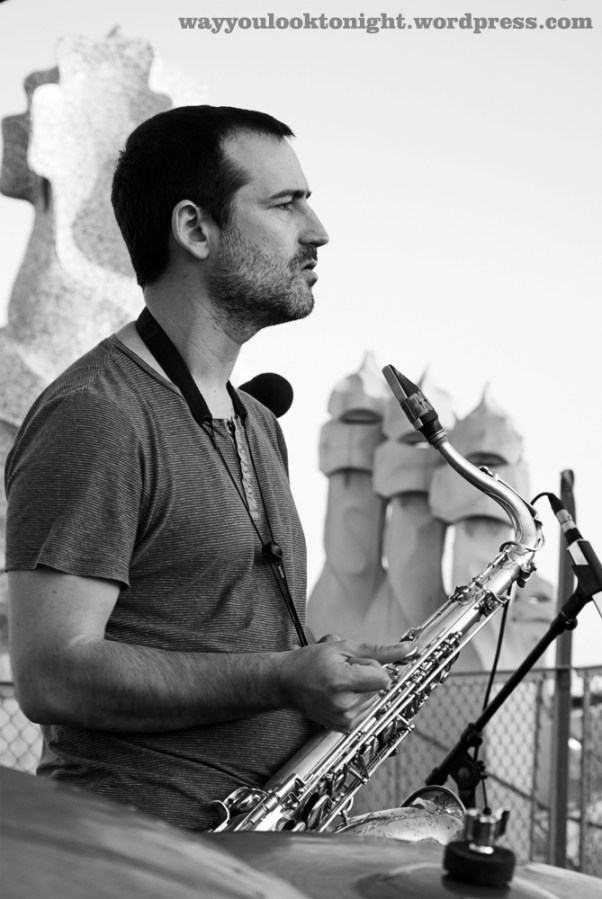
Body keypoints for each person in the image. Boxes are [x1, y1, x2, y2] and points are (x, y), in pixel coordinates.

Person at [5, 105, 410, 831]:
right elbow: (51, 675)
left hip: (258, 843)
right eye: (285, 203)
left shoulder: (258, 422)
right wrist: (281, 679)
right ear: (195, 228)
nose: (318, 230)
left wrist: (320, 670)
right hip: (138, 859)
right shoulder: (97, 413)